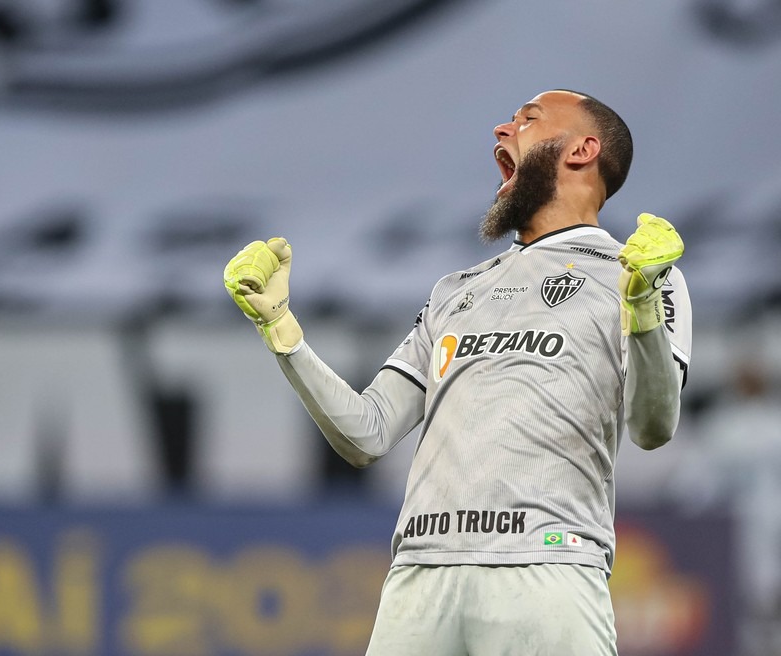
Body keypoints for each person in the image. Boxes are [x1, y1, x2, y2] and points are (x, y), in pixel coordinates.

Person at [223, 89, 692, 656]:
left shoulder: (637, 274)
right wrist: (283, 332)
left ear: (583, 150)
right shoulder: (456, 291)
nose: (502, 129)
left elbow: (652, 426)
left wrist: (642, 307)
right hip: (421, 576)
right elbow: (366, 434)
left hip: (546, 565)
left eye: (528, 120)